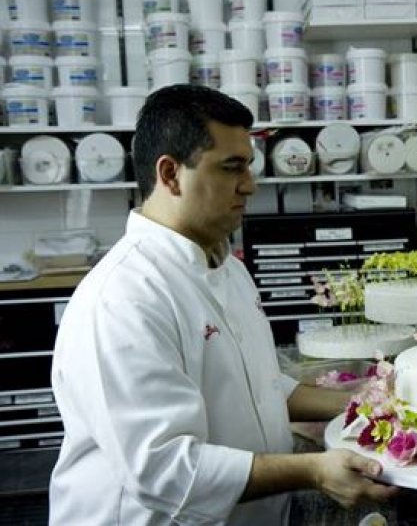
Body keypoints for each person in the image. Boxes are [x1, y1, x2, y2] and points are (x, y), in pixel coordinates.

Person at [49, 84, 398, 525]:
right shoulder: (123, 299)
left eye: (249, 166)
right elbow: (165, 471)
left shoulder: (228, 268)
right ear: (171, 174)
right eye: (232, 168)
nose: (250, 185)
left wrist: (360, 404)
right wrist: (312, 470)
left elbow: (259, 387)